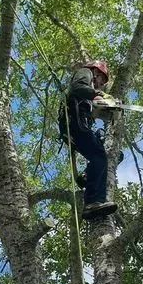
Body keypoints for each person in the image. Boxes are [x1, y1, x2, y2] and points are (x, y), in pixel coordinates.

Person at [59, 60, 117, 219]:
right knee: (99, 155)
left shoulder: (89, 93)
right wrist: (99, 95)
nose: (101, 85)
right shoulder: (86, 72)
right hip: (75, 123)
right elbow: (76, 88)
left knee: (107, 154)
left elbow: (93, 111)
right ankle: (92, 203)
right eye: (102, 80)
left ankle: (86, 176)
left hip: (77, 124)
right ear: (96, 72)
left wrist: (111, 108)